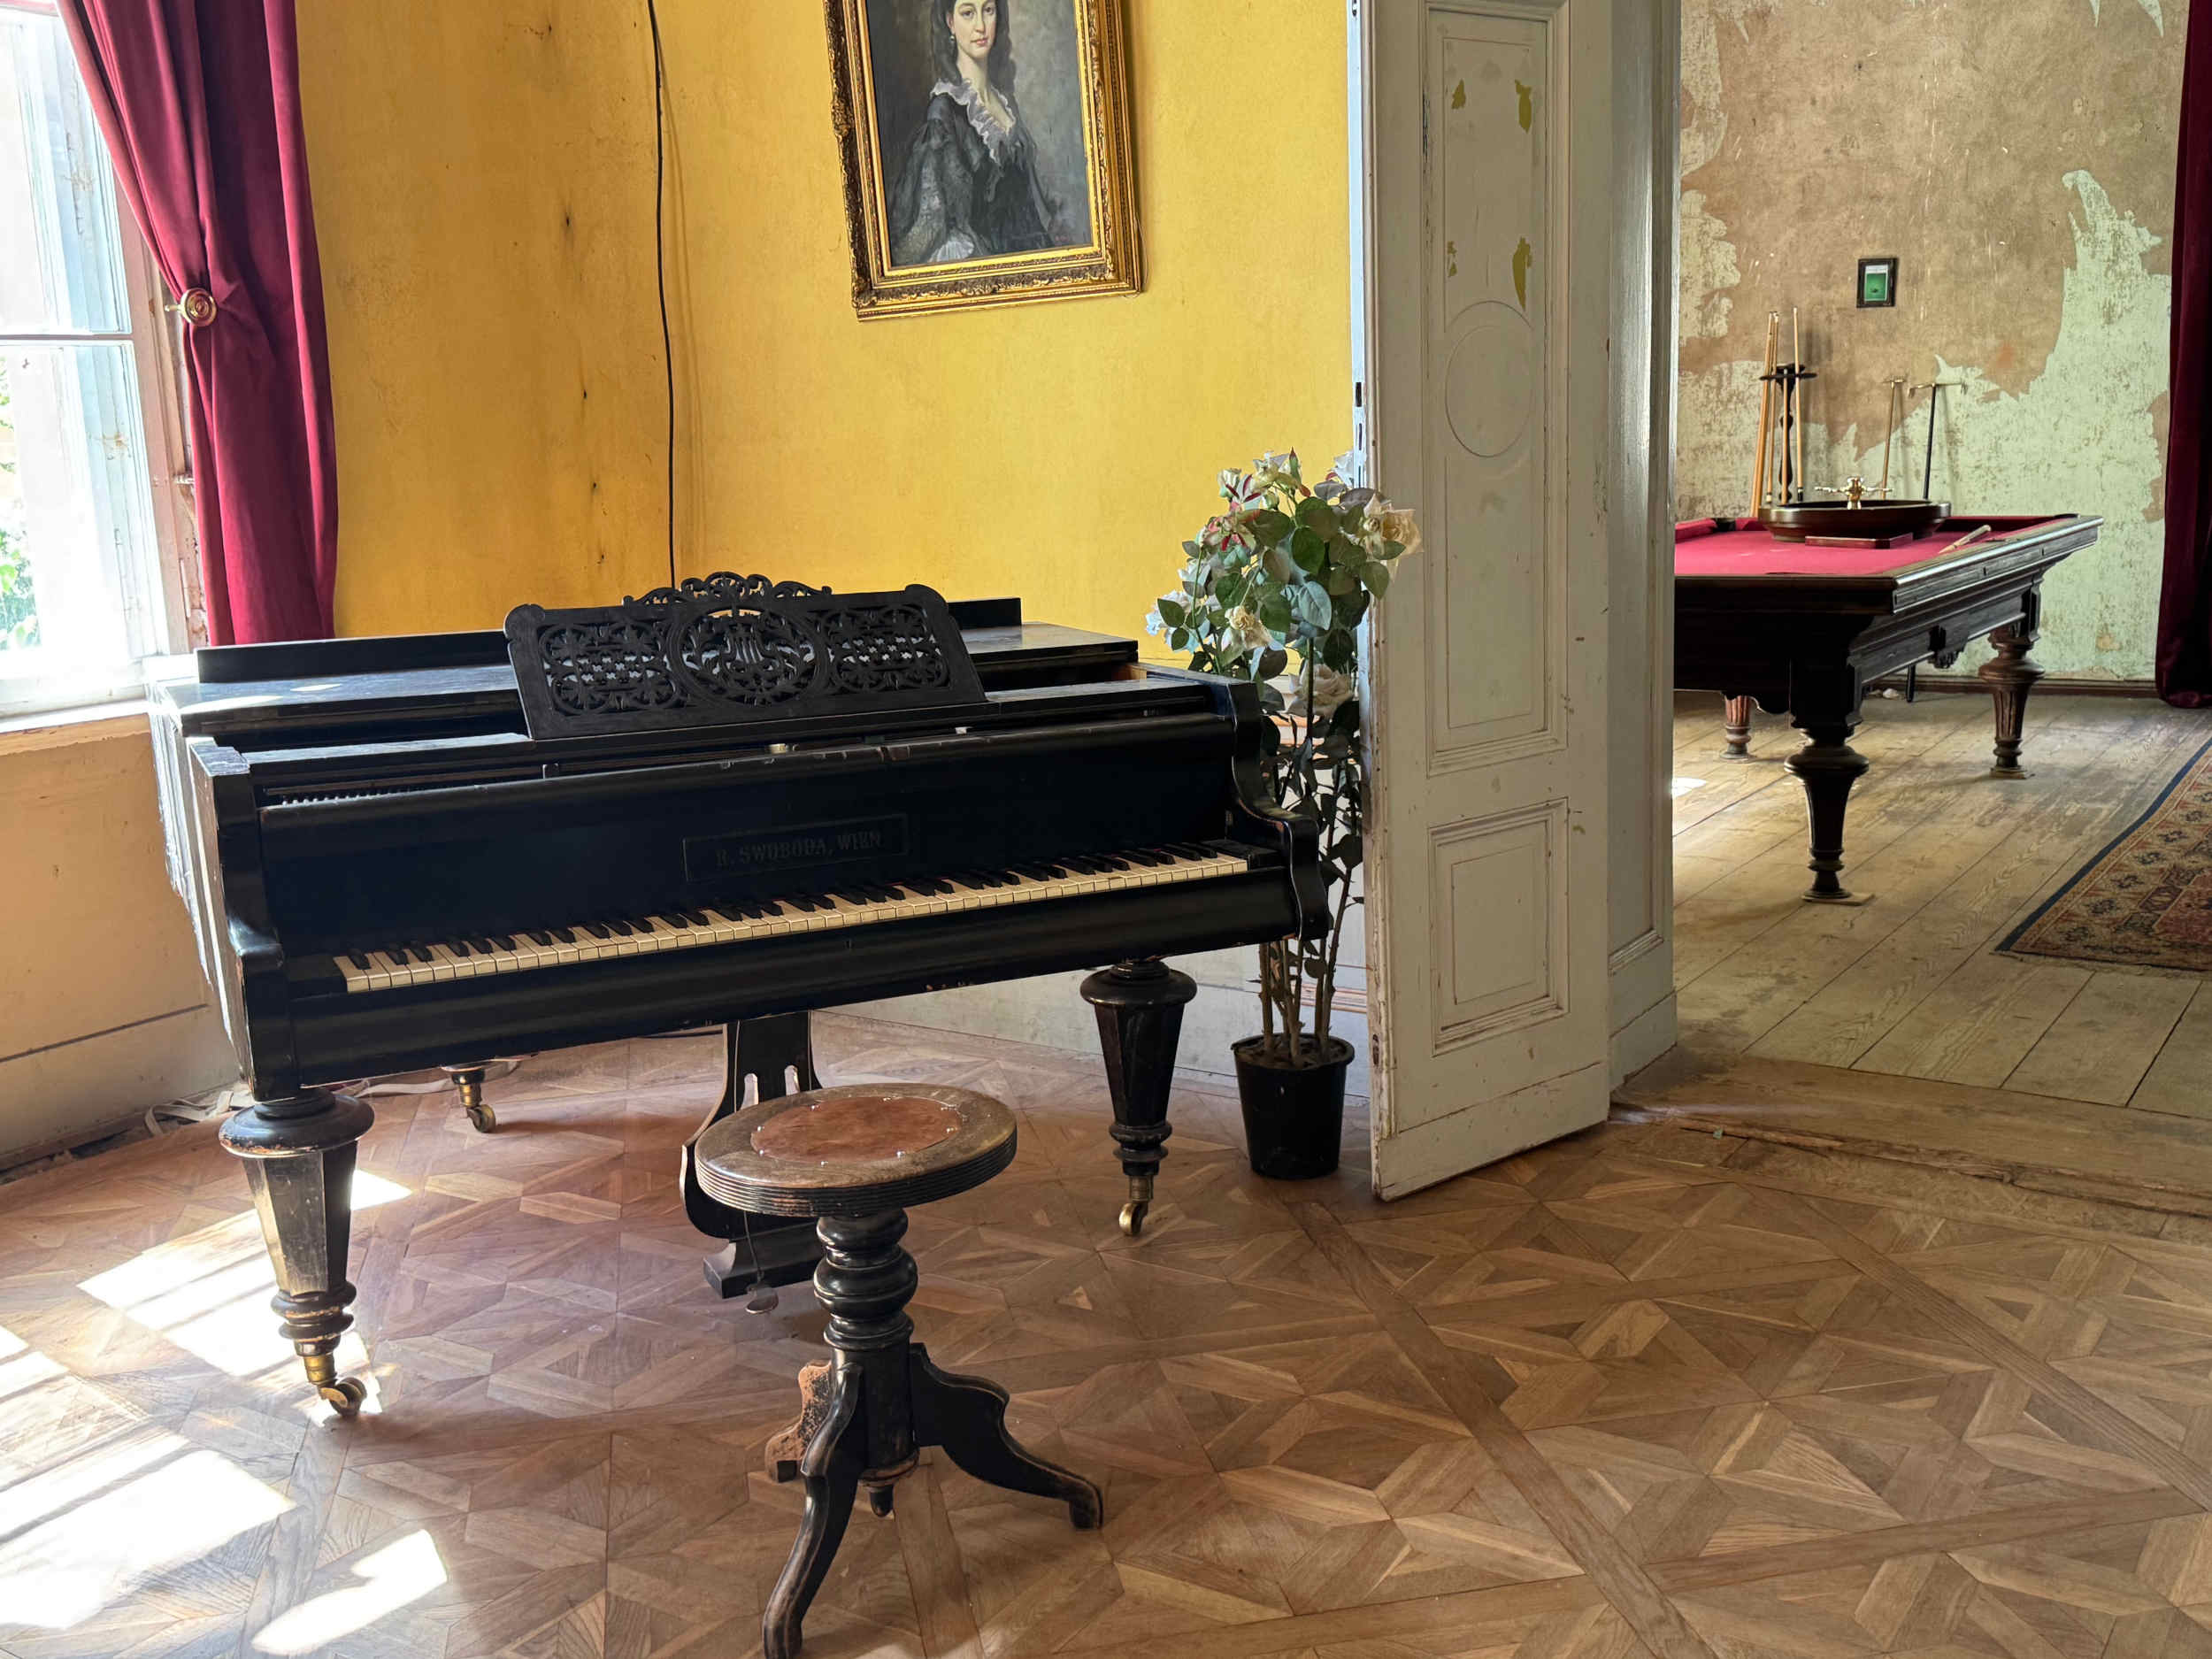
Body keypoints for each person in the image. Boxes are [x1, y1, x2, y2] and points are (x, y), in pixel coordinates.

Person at [887, 0, 1071, 266]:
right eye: (968, 13)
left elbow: (1034, 205)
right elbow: (939, 225)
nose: (981, 26)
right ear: (950, 22)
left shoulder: (1005, 103)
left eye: (988, 10)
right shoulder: (944, 113)